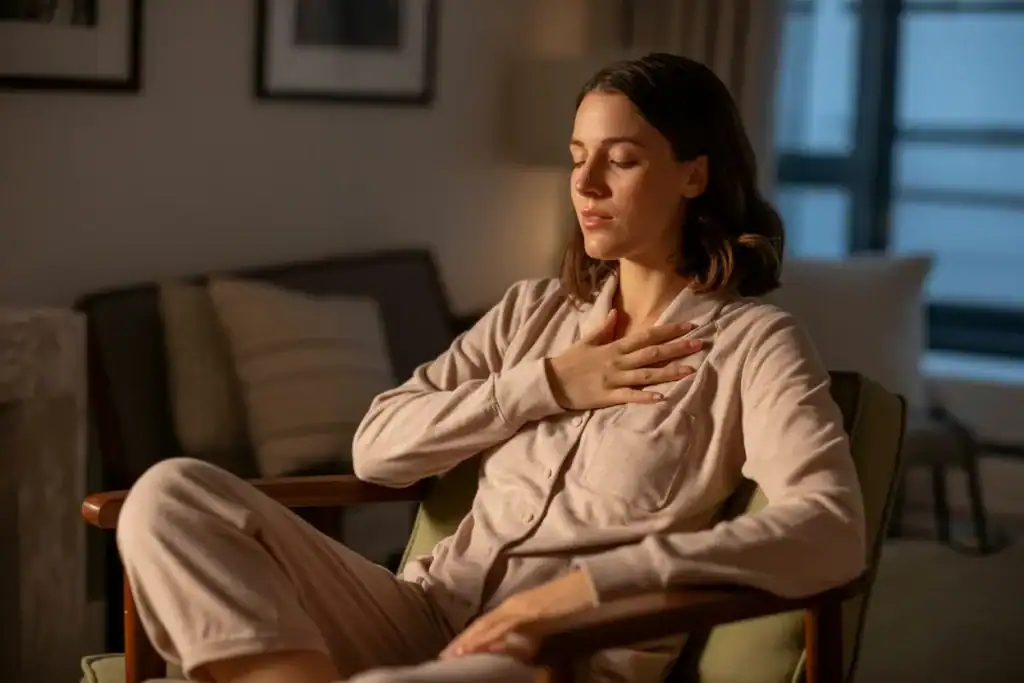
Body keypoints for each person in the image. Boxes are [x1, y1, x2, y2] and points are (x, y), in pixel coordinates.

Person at [117, 53, 866, 683]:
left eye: (623, 159)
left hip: (552, 657)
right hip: (421, 614)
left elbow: (830, 527)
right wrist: (546, 385)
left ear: (694, 176)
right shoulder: (530, 313)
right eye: (578, 158)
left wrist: (582, 589)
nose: (587, 184)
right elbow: (375, 450)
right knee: (170, 494)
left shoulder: (753, 343)